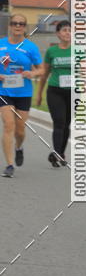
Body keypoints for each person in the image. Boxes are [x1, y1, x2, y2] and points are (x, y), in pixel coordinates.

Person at [0, 14, 43, 178]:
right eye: (14, 23)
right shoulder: (1, 44)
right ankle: (10, 165)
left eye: (21, 24)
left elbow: (41, 69)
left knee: (20, 130)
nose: (17, 26)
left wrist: (31, 73)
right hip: (3, 91)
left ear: (25, 27)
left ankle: (19, 147)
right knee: (8, 125)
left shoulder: (30, 47)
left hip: (24, 92)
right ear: (10, 26)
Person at [35, 20, 72, 166]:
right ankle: (58, 154)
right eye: (64, 30)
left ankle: (58, 153)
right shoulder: (52, 51)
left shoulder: (78, 50)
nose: (67, 32)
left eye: (69, 30)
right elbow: (45, 74)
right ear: (58, 34)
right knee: (59, 123)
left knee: (67, 124)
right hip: (55, 91)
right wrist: (39, 94)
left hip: (73, 93)